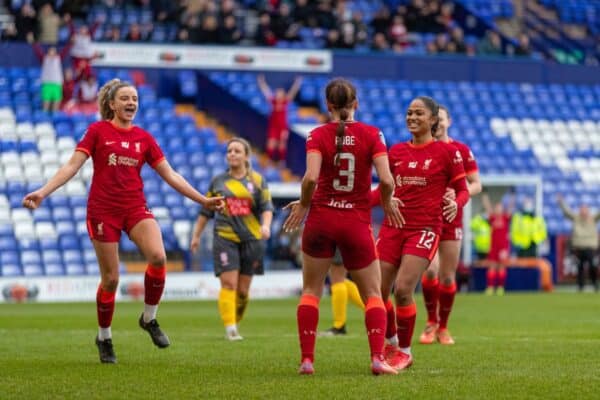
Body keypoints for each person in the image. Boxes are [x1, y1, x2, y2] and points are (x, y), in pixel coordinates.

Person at [22, 79, 223, 364]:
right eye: (125, 98)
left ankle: (149, 318)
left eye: (135, 99)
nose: (131, 103)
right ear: (112, 104)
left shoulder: (144, 139)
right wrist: (43, 192)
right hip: (103, 211)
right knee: (111, 279)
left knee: (158, 257)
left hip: (134, 207)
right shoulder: (97, 131)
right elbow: (72, 166)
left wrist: (202, 200)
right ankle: (104, 337)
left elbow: (171, 174)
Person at [282, 78, 403, 376]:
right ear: (356, 104)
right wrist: (387, 202)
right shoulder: (373, 134)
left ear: (328, 106)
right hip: (356, 222)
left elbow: (310, 179)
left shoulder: (316, 134)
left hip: (321, 220)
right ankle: (377, 358)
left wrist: (304, 204)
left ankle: (307, 361)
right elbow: (387, 181)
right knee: (373, 294)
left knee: (311, 291)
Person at [374, 96, 469, 371]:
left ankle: (405, 351)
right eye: (408, 113)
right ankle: (392, 341)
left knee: (403, 290)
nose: (412, 117)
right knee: (377, 291)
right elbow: (383, 189)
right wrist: (383, 200)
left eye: (418, 113)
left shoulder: (448, 153)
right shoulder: (396, 152)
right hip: (393, 227)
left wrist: (456, 203)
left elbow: (463, 190)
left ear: (432, 120)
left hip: (424, 228)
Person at [190, 137, 274, 341]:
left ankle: (234, 320)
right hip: (224, 237)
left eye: (237, 151)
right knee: (229, 284)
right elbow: (205, 211)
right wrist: (196, 235)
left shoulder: (258, 181)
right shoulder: (218, 182)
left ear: (246, 156)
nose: (232, 154)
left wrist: (265, 226)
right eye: (229, 151)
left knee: (243, 291)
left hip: (252, 240)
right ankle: (231, 329)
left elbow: (266, 208)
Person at [419, 104, 482, 346]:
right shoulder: (423, 147)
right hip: (426, 218)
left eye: (442, 119)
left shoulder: (461, 150)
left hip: (452, 218)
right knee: (431, 270)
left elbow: (476, 183)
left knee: (447, 277)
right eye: (436, 119)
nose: (439, 123)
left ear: (449, 121)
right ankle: (430, 322)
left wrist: (457, 197)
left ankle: (443, 327)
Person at [557, 194, 600, 292]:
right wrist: (561, 202)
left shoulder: (593, 219)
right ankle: (581, 287)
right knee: (580, 267)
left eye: (585, 210)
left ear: (588, 211)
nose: (583, 211)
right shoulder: (576, 218)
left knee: (592, 266)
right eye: (582, 209)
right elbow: (567, 212)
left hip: (590, 247)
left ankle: (595, 284)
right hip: (579, 247)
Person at [257, 74, 302, 165]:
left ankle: (281, 161)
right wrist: (261, 82)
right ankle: (270, 159)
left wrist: (297, 83)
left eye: (280, 92)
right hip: (273, 126)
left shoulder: (286, 101)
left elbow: (292, 92)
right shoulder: (273, 101)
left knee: (282, 144)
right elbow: (266, 91)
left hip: (282, 126)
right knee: (271, 143)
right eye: (277, 92)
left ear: (283, 94)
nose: (278, 94)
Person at [321, 249, 365, 336]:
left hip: (339, 239)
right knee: (339, 278)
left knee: (337, 279)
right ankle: (374, 308)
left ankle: (339, 325)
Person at [481, 191, 515, 295]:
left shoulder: (505, 217)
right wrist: (485, 195)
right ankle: (490, 287)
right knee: (492, 266)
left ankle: (500, 288)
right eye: (497, 207)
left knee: (501, 267)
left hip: (503, 247)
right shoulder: (492, 218)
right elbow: (487, 207)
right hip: (493, 247)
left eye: (500, 207)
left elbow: (510, 207)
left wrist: (512, 196)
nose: (498, 209)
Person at [32, 42, 71, 113]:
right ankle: (44, 120)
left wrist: (70, 43)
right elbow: (38, 52)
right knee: (46, 104)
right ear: (48, 52)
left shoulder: (58, 58)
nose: (52, 52)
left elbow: (65, 51)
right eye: (51, 51)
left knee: (56, 105)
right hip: (47, 84)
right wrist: (33, 43)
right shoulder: (44, 59)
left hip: (56, 84)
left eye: (54, 51)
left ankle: (54, 120)